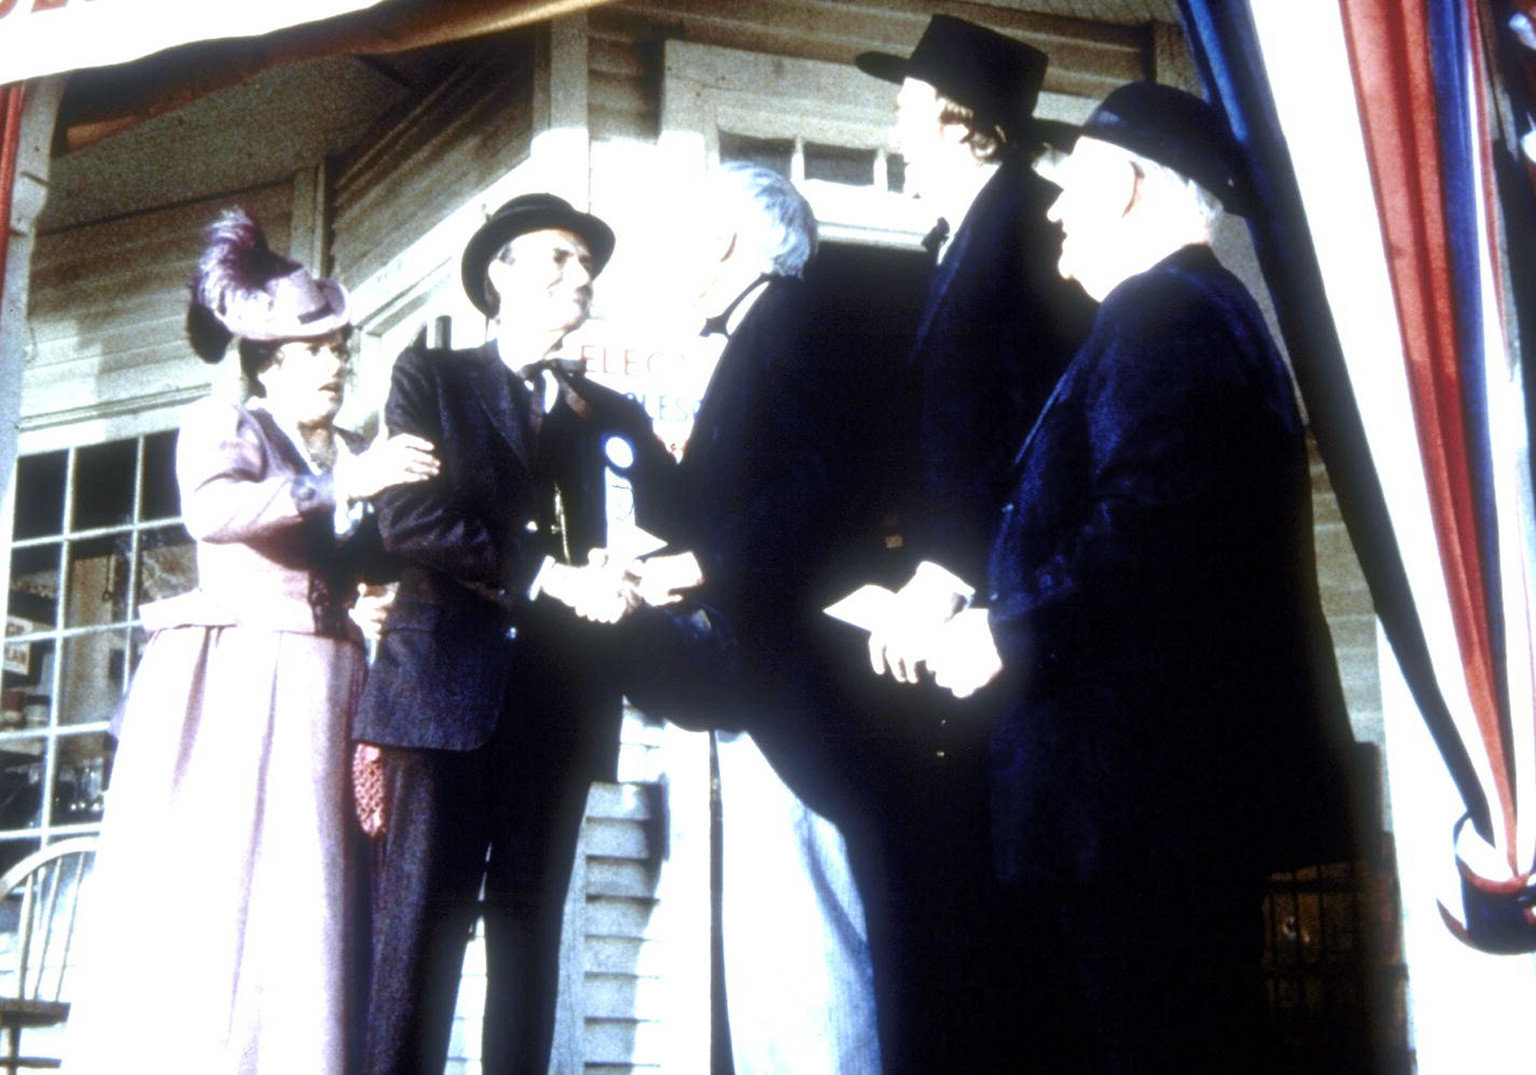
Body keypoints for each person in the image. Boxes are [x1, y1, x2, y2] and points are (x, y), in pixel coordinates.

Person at [921, 82, 1358, 1072]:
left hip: (1140, 807)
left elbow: (1146, 529)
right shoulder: (1201, 313)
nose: (1055, 213)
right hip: (1160, 802)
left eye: (1073, 185)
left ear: (1124, 184)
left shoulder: (1162, 315)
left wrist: (1002, 630)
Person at [65, 207, 438, 1074]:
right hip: (245, 678)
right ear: (268, 362)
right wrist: (346, 484)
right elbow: (216, 510)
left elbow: (363, 553)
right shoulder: (227, 425)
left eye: (339, 348)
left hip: (334, 681)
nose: (335, 364)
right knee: (239, 884)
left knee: (316, 891)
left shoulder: (351, 446)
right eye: (314, 350)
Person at [352, 193, 662, 1075]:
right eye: (559, 257)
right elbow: (412, 518)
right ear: (501, 272)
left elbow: (657, 525)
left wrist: (635, 574)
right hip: (441, 704)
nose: (581, 274)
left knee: (531, 941)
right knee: (419, 941)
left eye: (587, 262)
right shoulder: (432, 378)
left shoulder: (609, 415)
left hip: (558, 707)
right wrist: (549, 575)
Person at [852, 16, 1093, 1067]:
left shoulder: (1032, 230)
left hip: (1020, 616)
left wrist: (951, 571)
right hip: (977, 608)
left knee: (1025, 942)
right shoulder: (962, 238)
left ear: (967, 126)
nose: (895, 130)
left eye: (909, 110)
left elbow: (1037, 427)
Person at [621, 164, 883, 1073]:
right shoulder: (760, 333)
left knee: (810, 954)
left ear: (728, 240)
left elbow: (825, 488)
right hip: (761, 691)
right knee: (774, 956)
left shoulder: (797, 322)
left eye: (686, 234)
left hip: (797, 690)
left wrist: (706, 564)